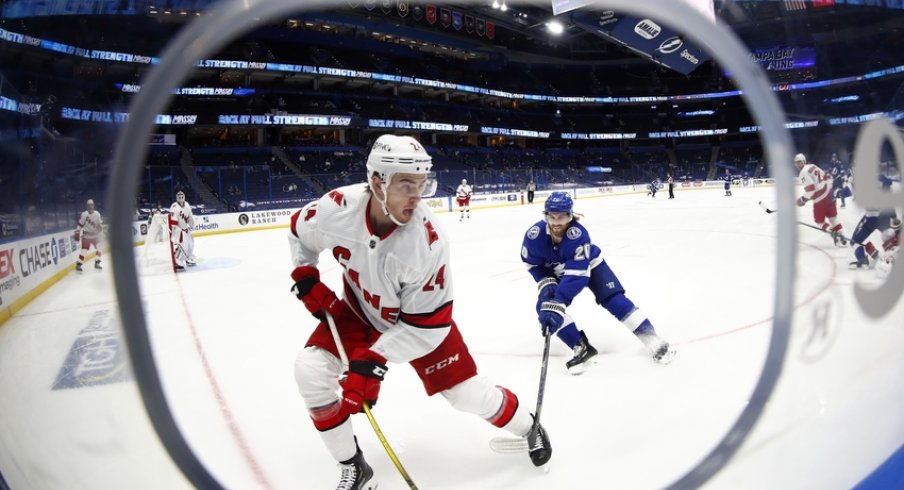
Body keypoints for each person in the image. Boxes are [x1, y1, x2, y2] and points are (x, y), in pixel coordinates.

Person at [288, 134, 551, 489]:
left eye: (422, 184)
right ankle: (352, 464)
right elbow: (299, 233)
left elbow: (430, 326)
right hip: (357, 311)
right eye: (406, 185)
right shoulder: (337, 208)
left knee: (467, 395)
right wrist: (305, 275)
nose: (417, 196)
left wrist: (373, 361)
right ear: (377, 181)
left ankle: (527, 425)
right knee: (309, 372)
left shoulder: (427, 243)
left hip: (415, 327)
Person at [520, 191, 675, 374]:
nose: (556, 222)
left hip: (590, 267)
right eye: (551, 217)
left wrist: (559, 301)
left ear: (570, 216)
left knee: (613, 299)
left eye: (561, 217)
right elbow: (532, 263)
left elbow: (578, 276)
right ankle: (581, 347)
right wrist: (546, 282)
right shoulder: (534, 236)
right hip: (557, 273)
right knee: (543, 308)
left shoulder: (578, 235)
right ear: (545, 215)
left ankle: (652, 338)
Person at [794, 153, 847, 247]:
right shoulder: (812, 166)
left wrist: (802, 200)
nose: (798, 165)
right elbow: (826, 177)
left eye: (799, 162)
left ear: (804, 161)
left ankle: (831, 231)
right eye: (796, 163)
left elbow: (810, 190)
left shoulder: (802, 173)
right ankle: (843, 236)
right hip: (829, 194)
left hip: (820, 200)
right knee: (833, 219)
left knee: (819, 221)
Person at [849, 175, 897, 270]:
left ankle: (862, 258)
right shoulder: (880, 178)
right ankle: (892, 256)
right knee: (890, 239)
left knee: (855, 241)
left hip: (870, 218)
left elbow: (846, 192)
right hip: (884, 216)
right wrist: (893, 216)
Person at [74, 199, 104, 272]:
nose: (90, 207)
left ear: (93, 206)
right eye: (88, 205)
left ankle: (97, 262)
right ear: (87, 206)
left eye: (91, 205)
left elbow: (100, 224)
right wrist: (77, 231)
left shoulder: (97, 214)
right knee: (84, 251)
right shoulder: (84, 214)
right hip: (86, 236)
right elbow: (80, 224)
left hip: (95, 236)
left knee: (100, 248)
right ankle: (79, 264)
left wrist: (100, 228)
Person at [169, 190, 197, 268]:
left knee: (191, 243)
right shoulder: (174, 206)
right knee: (183, 245)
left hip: (186, 229)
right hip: (178, 230)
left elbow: (190, 216)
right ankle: (177, 260)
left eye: (182, 197)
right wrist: (175, 231)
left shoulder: (187, 205)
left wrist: (191, 225)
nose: (181, 198)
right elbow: (172, 219)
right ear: (177, 198)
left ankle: (188, 257)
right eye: (179, 197)